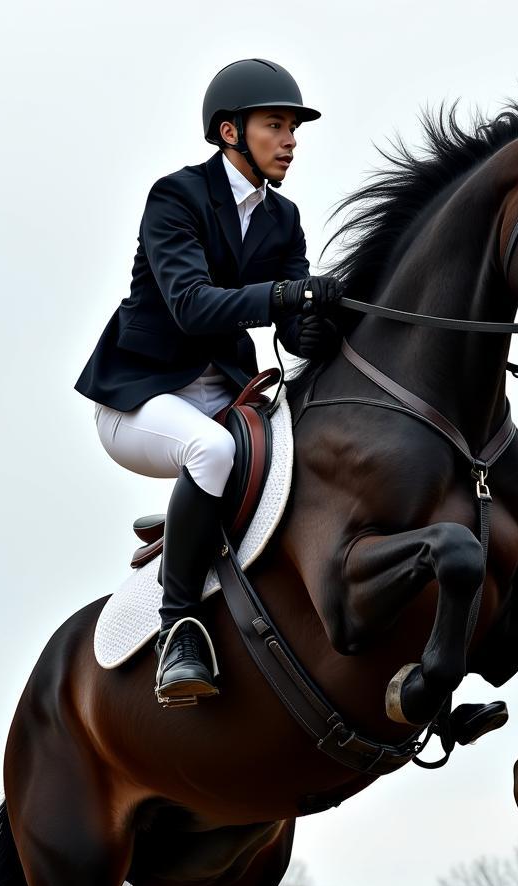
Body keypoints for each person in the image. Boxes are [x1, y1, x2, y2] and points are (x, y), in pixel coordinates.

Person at [75, 58, 343, 707]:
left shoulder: (283, 219)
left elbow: (291, 326)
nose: (290, 141)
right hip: (137, 398)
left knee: (309, 445)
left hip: (222, 395)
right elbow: (192, 305)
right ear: (230, 132)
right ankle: (180, 629)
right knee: (212, 451)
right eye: (276, 126)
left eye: (294, 129)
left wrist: (321, 316)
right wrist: (286, 294)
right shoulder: (176, 198)